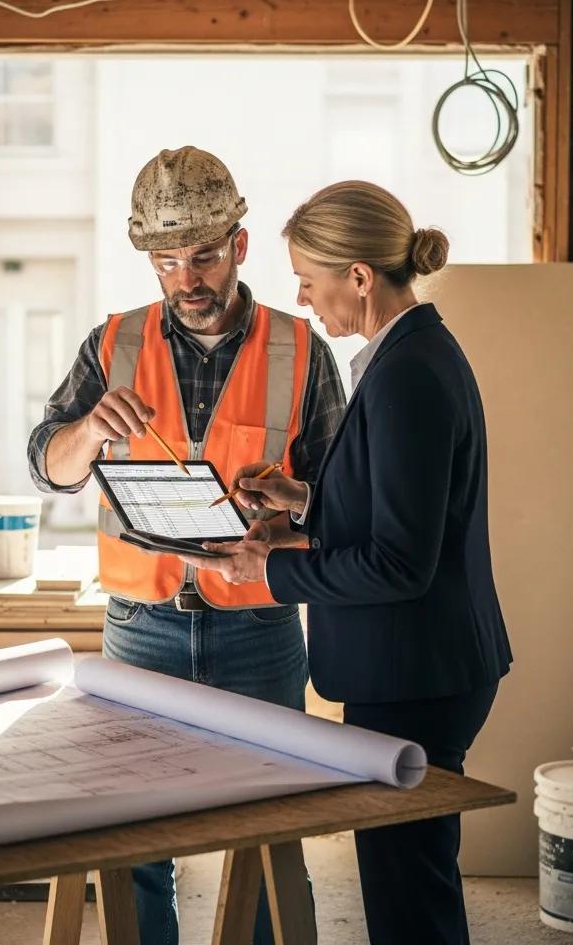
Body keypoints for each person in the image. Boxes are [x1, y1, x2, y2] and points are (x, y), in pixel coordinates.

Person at [180, 180, 513, 945]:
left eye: (307, 279)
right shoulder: (409, 354)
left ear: (358, 277)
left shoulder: (407, 376)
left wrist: (266, 573)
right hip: (420, 667)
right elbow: (400, 505)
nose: (301, 300)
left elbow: (399, 563)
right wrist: (302, 499)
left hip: (415, 674)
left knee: (408, 895)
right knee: (410, 877)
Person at [27, 147, 346, 944]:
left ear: (239, 246)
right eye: (167, 261)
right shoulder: (113, 345)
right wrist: (88, 430)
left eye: (203, 256)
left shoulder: (303, 352)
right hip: (142, 627)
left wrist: (287, 526)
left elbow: (341, 504)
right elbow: (47, 467)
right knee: (136, 844)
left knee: (269, 834)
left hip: (261, 630)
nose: (186, 278)